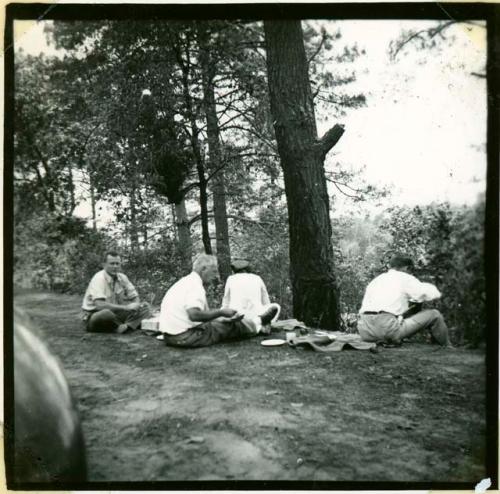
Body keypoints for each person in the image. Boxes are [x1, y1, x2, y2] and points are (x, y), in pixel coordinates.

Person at [159, 254, 279, 348]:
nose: (216, 275)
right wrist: (221, 313)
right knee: (229, 326)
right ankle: (259, 324)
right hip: (185, 337)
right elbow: (194, 315)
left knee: (221, 322)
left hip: (170, 336)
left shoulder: (186, 281)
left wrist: (219, 316)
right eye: (214, 271)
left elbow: (193, 316)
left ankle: (257, 323)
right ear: (203, 269)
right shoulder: (195, 286)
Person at [358, 254, 453, 348]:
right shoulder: (404, 277)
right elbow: (429, 293)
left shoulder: (376, 280)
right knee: (434, 314)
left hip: (365, 331)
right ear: (406, 268)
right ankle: (447, 347)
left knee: (401, 314)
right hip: (386, 329)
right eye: (411, 270)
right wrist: (440, 293)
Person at [81, 251, 151, 334]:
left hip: (115, 314)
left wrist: (135, 305)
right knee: (105, 313)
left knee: (145, 307)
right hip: (94, 315)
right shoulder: (99, 278)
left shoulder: (122, 277)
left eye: (117, 264)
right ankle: (128, 325)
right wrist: (125, 308)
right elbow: (99, 305)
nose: (115, 267)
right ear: (104, 265)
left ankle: (125, 327)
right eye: (112, 263)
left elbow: (134, 296)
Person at [221, 259, 280, 323]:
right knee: (276, 306)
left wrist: (222, 314)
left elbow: (225, 302)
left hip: (236, 316)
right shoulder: (257, 278)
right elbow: (266, 302)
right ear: (246, 269)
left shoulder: (230, 278)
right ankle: (261, 323)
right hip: (257, 315)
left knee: (224, 311)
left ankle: (256, 323)